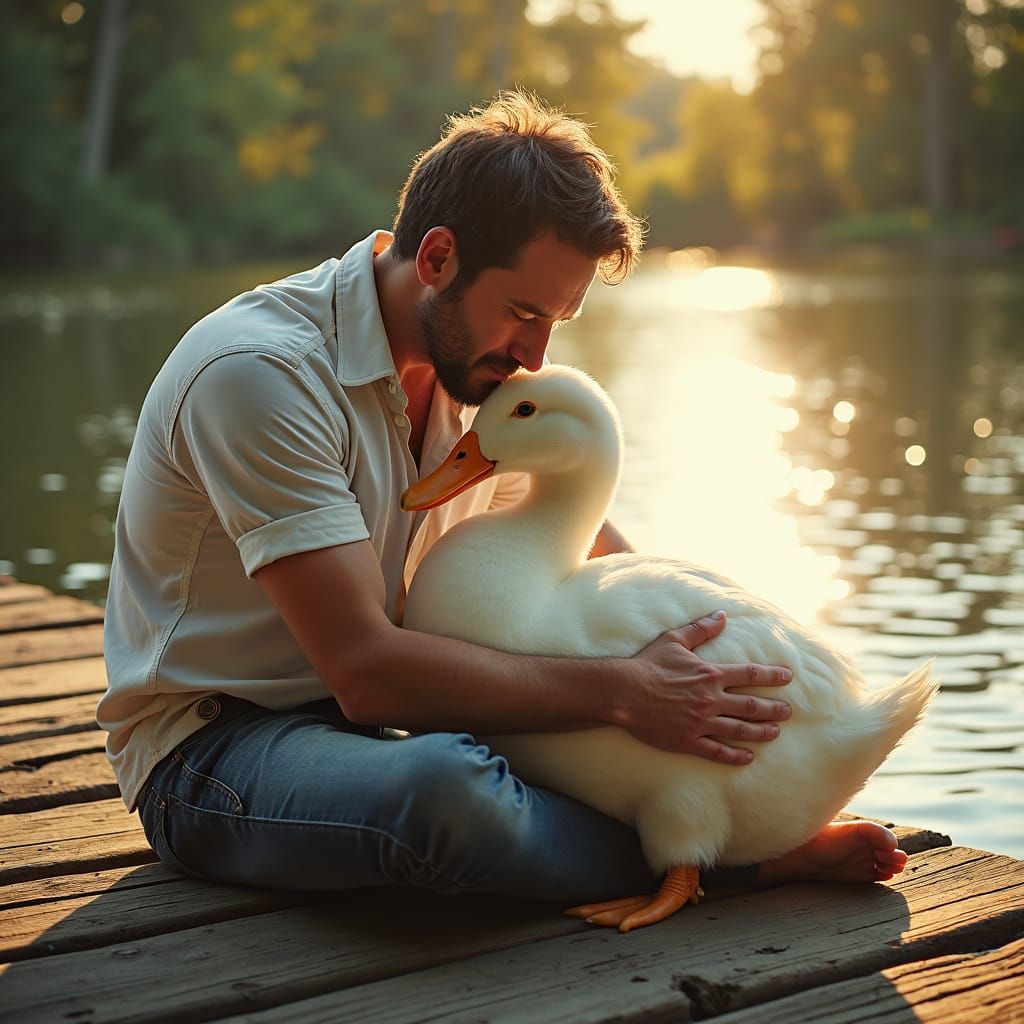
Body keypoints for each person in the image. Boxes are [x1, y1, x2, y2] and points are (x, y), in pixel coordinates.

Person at [98, 91, 907, 912]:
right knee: (446, 793)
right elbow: (367, 675)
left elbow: (590, 561)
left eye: (556, 320)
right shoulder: (261, 376)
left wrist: (699, 693)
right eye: (523, 312)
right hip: (220, 751)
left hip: (400, 728)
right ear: (439, 258)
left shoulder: (481, 379)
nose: (535, 353)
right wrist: (624, 692)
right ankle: (731, 864)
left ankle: (702, 842)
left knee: (498, 744)